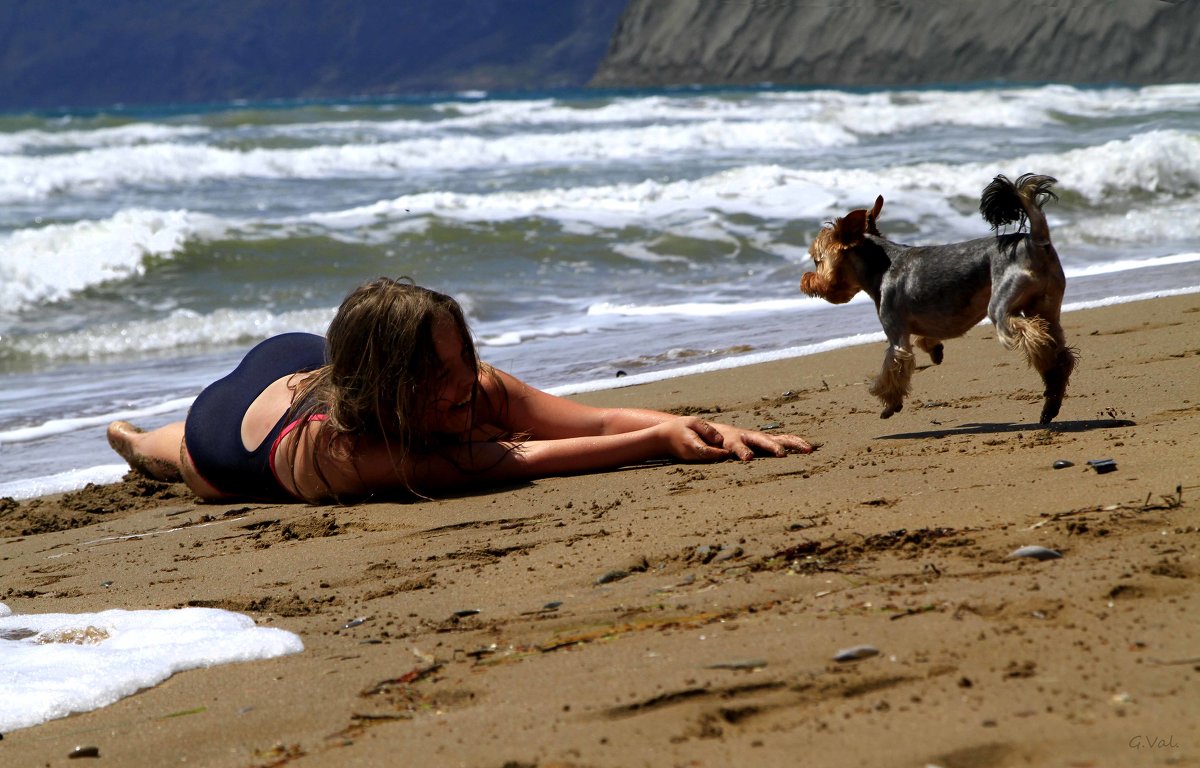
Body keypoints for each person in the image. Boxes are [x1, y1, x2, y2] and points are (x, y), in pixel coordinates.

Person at [107, 278, 813, 504]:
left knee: (482, 411)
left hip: (307, 357)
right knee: (177, 460)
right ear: (387, 383)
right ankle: (138, 438)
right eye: (436, 374)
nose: (460, 383)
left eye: (461, 360)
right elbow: (520, 461)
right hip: (234, 431)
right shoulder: (350, 454)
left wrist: (690, 420)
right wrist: (659, 441)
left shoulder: (465, 386)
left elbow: (590, 421)